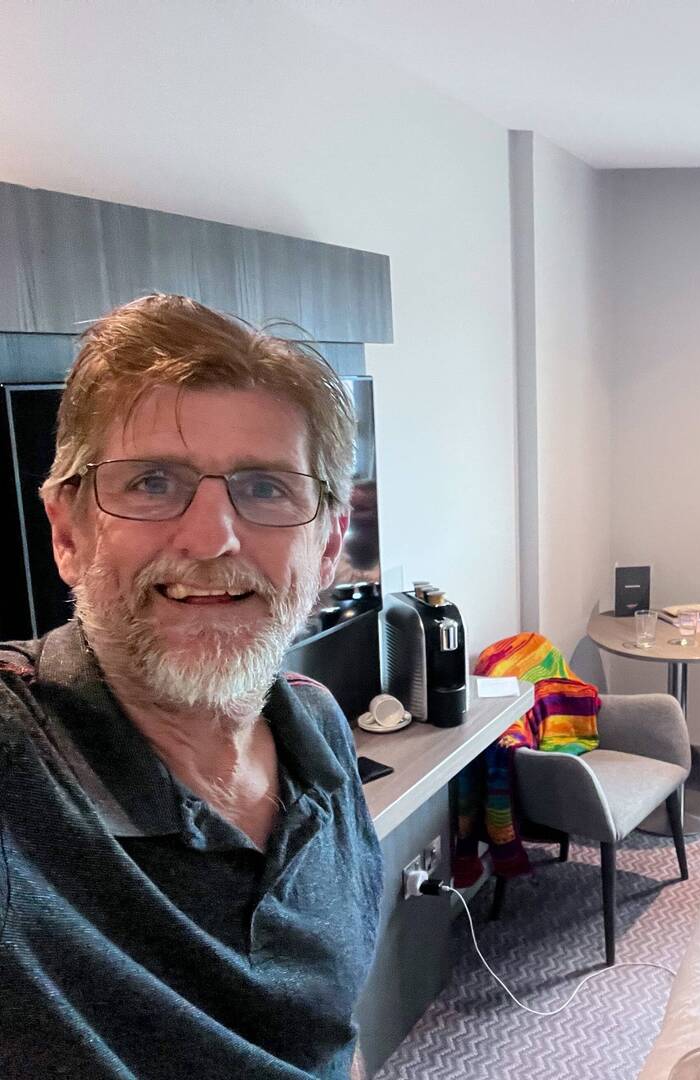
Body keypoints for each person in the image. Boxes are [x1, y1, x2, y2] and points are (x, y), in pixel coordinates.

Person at [0, 295, 383, 1078]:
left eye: (266, 488)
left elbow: (329, 1032)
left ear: (326, 548)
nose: (212, 539)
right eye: (151, 482)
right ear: (68, 532)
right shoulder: (17, 757)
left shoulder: (317, 728)